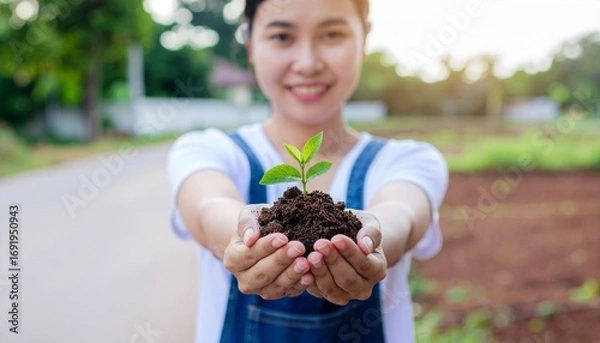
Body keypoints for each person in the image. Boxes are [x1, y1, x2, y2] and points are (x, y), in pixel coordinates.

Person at [167, 0, 448, 342]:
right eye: (283, 36)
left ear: (364, 40)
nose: (308, 63)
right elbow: (208, 207)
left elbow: (400, 215)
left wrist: (369, 240)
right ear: (251, 44)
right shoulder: (209, 151)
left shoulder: (408, 160)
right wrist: (244, 238)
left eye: (331, 34)